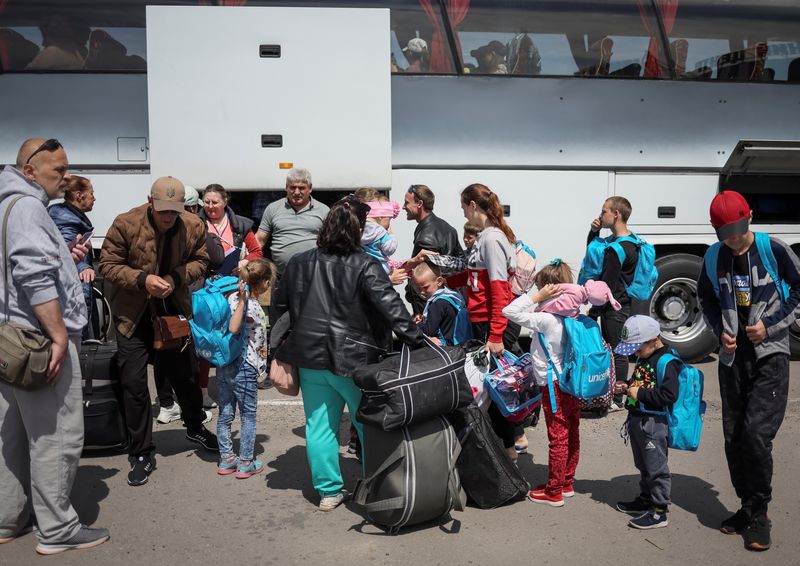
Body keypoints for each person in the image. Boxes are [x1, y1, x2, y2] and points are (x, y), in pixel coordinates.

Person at [273, 195, 423, 511]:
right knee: (369, 424)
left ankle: (329, 491)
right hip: (358, 361)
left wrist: (280, 347)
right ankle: (375, 485)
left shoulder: (300, 262)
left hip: (311, 357)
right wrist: (419, 342)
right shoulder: (365, 263)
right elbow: (393, 309)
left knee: (319, 425)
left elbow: (281, 308)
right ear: (357, 231)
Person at [0, 138, 109, 554]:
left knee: (9, 435)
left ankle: (8, 519)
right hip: (38, 341)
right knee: (56, 436)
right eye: (57, 170)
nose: (65, 178)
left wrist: (62, 253)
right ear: (30, 170)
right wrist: (60, 335)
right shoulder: (28, 208)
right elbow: (32, 275)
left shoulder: (8, 205)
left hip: (9, 338)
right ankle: (57, 530)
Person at [99, 176, 219, 487]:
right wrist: (143, 280)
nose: (168, 218)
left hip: (172, 313)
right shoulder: (126, 223)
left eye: (173, 212)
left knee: (186, 376)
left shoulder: (192, 225)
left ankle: (195, 426)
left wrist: (176, 277)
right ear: (150, 202)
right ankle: (140, 450)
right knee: (134, 384)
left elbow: (201, 260)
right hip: (132, 315)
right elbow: (107, 264)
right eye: (162, 211)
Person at [697, 190, 800, 551]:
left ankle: (760, 514)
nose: (733, 239)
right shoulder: (713, 257)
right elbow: (706, 299)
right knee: (734, 437)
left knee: (756, 434)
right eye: (725, 233)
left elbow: (798, 290)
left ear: (750, 218)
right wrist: (720, 332)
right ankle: (746, 506)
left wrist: (770, 325)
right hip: (732, 359)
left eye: (737, 231)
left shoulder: (775, 250)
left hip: (769, 355)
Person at [504, 261, 620, 507]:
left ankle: (554, 491)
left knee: (557, 435)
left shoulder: (546, 319)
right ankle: (567, 481)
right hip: (571, 381)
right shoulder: (576, 316)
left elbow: (510, 312)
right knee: (572, 428)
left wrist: (536, 296)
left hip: (552, 384)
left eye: (541, 289)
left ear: (550, 290)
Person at [433, 183, 521, 461]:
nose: (463, 213)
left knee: (497, 389)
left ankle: (509, 447)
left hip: (490, 324)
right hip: (482, 321)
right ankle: (506, 447)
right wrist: (440, 278)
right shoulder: (485, 236)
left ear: (473, 205)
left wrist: (495, 334)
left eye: (463, 206)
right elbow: (472, 276)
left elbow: (500, 290)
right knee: (492, 388)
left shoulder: (491, 239)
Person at [154, 185, 223, 419]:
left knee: (164, 344)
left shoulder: (155, 225)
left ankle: (166, 404)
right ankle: (193, 408)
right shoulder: (194, 226)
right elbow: (218, 257)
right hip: (187, 297)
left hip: (160, 295)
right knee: (190, 353)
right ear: (194, 207)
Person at [613, 315, 680, 530]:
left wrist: (639, 393)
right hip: (637, 419)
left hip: (653, 422)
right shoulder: (645, 356)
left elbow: (668, 395)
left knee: (656, 466)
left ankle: (660, 510)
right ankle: (645, 498)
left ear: (653, 339)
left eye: (636, 347)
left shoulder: (666, 361)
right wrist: (627, 386)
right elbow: (640, 380)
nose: (634, 353)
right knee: (642, 463)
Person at [217, 259, 275, 479]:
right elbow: (233, 328)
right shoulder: (246, 302)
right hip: (245, 366)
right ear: (264, 283)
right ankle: (246, 462)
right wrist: (243, 301)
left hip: (225, 365)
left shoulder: (229, 297)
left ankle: (226, 458)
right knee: (248, 416)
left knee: (225, 414)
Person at [586, 196, 637, 410]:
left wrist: (594, 310)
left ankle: (617, 399)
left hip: (614, 308)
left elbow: (606, 284)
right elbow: (593, 254)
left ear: (616, 214)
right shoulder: (629, 241)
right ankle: (614, 395)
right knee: (617, 349)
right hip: (620, 305)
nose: (601, 214)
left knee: (618, 351)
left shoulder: (619, 249)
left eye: (604, 211)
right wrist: (594, 233)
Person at [48, 174, 97, 340]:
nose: (94, 198)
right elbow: (68, 249)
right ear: (79, 195)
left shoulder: (64, 214)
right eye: (91, 193)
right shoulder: (67, 220)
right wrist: (83, 267)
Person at [403, 184, 463, 317]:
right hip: (450, 303)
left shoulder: (426, 236)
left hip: (432, 310)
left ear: (419, 203)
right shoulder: (446, 227)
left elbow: (421, 280)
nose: (403, 207)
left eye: (407, 202)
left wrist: (418, 311)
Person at [199, 184, 263, 277]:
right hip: (203, 282)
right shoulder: (195, 224)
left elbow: (256, 252)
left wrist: (243, 264)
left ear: (225, 202)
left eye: (215, 202)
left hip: (233, 281)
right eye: (207, 202)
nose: (210, 206)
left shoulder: (241, 225)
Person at [412, 260, 469, 346]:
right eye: (419, 289)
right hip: (461, 344)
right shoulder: (453, 297)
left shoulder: (437, 304)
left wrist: (417, 324)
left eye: (425, 287)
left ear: (439, 281)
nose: (422, 292)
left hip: (446, 348)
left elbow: (429, 331)